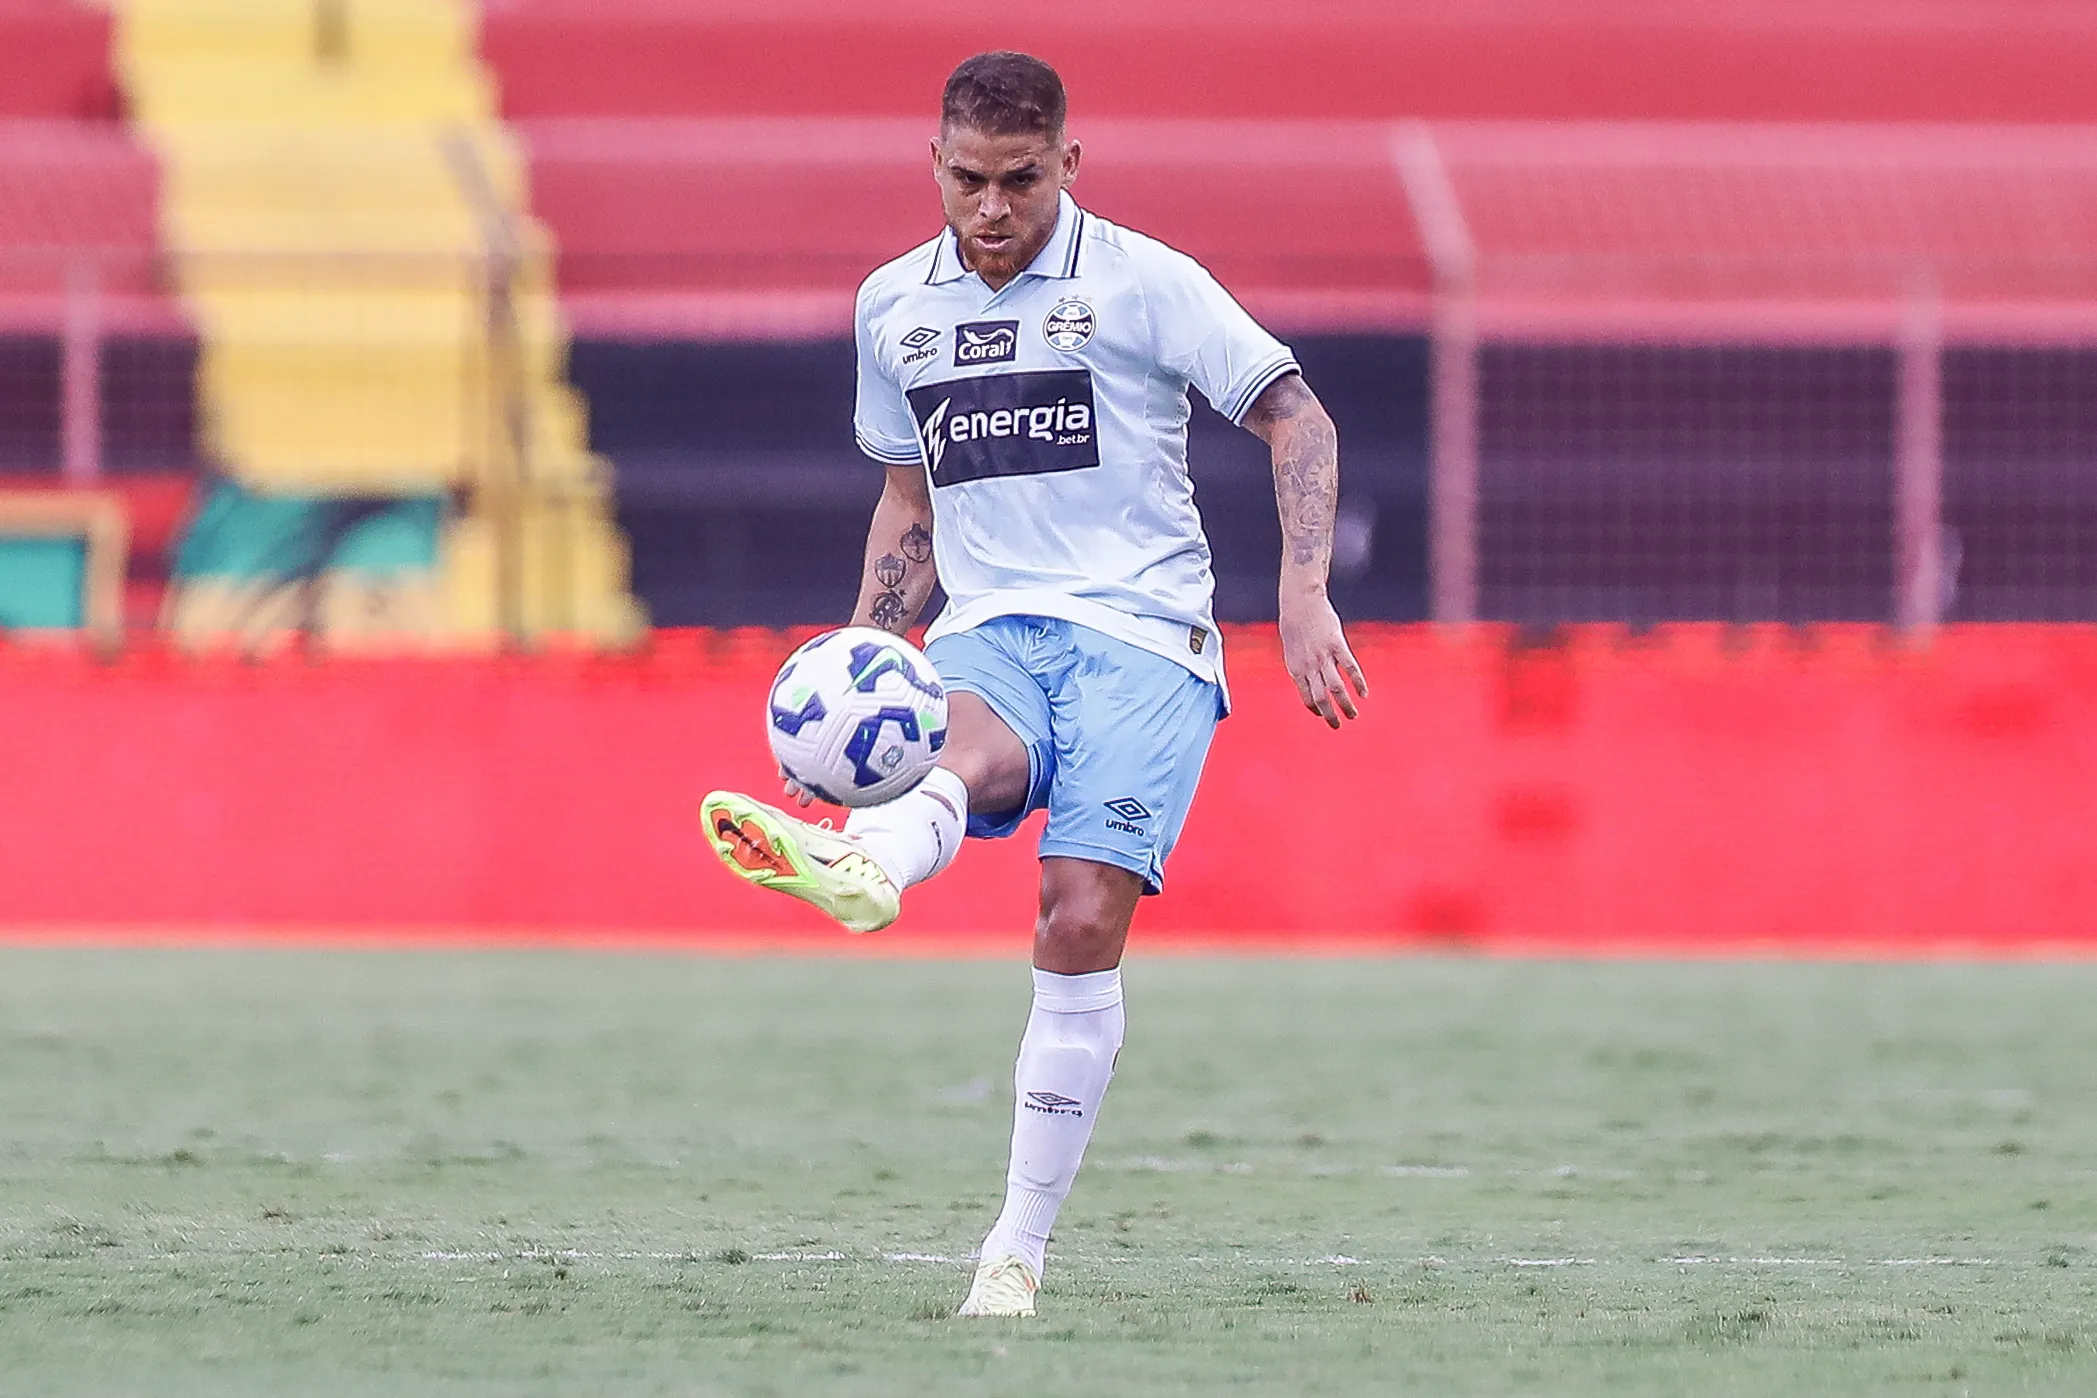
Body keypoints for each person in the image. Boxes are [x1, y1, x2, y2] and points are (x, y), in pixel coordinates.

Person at [702, 50, 1366, 1318]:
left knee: (1077, 912)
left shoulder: (1143, 281)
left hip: (1146, 637)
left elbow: (1301, 418)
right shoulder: (893, 307)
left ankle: (1016, 1246)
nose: (993, 210)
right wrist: (854, 679)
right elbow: (908, 504)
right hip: (993, 626)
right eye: (969, 181)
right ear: (934, 167)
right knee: (973, 754)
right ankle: (867, 865)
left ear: (1068, 164)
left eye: (1020, 181)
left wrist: (1301, 589)